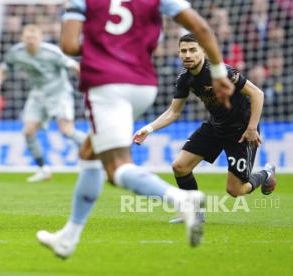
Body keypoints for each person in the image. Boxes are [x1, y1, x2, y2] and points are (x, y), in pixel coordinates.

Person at [36, 0, 235, 258]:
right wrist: (219, 72)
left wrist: (105, 45)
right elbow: (201, 28)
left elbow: (69, 45)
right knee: (89, 153)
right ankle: (69, 236)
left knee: (116, 167)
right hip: (142, 85)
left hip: (107, 83)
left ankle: (181, 199)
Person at [133, 34, 277, 224]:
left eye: (193, 50)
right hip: (216, 125)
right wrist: (149, 128)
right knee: (180, 167)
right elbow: (173, 112)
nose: (187, 55)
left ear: (203, 51)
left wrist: (252, 128)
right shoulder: (184, 79)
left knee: (235, 190)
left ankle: (266, 174)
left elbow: (257, 94)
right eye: (183, 51)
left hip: (241, 131)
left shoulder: (221, 72)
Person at [0, 24, 86, 183]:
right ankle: (44, 169)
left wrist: (86, 82)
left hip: (59, 93)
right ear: (23, 38)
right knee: (28, 131)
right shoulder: (16, 52)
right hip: (38, 94)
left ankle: (98, 150)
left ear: (40, 39)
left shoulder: (52, 52)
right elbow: (4, 68)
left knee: (66, 130)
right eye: (28, 38)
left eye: (34, 38)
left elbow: (73, 66)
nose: (31, 41)